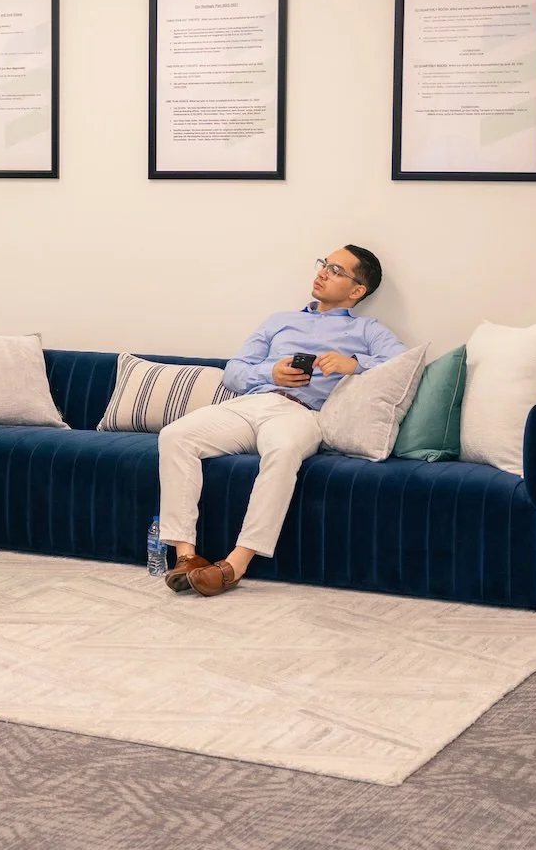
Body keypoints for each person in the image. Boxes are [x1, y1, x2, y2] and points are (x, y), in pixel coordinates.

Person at [155, 245, 404, 597]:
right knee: (175, 435)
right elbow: (234, 371)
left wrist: (354, 365)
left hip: (303, 413)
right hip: (251, 402)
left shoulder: (367, 330)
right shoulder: (280, 321)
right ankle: (186, 557)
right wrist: (270, 371)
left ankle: (235, 563)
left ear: (357, 290)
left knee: (283, 450)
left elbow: (405, 364)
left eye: (335, 270)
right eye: (324, 264)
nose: (322, 273)